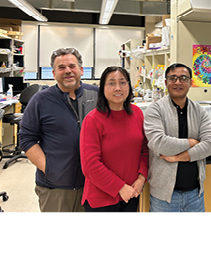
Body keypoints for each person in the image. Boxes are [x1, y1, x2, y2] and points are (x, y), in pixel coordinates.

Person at [19, 47, 98, 212]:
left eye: (72, 66)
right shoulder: (40, 100)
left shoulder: (97, 95)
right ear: (54, 73)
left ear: (81, 70)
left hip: (92, 186)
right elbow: (26, 139)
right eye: (61, 68)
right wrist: (49, 169)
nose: (67, 71)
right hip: (55, 188)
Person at [144, 63, 211, 212]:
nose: (178, 82)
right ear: (166, 82)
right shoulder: (155, 110)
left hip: (195, 194)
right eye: (173, 78)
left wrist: (179, 157)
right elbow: (159, 144)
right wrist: (191, 142)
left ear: (191, 83)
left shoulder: (199, 111)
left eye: (183, 78)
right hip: (164, 196)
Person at [80, 66, 148, 212]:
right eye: (111, 83)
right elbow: (90, 165)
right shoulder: (92, 120)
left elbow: (145, 150)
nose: (118, 88)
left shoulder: (137, 114)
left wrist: (141, 178)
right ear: (102, 88)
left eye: (123, 82)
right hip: (101, 198)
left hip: (131, 194)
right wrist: (119, 187)